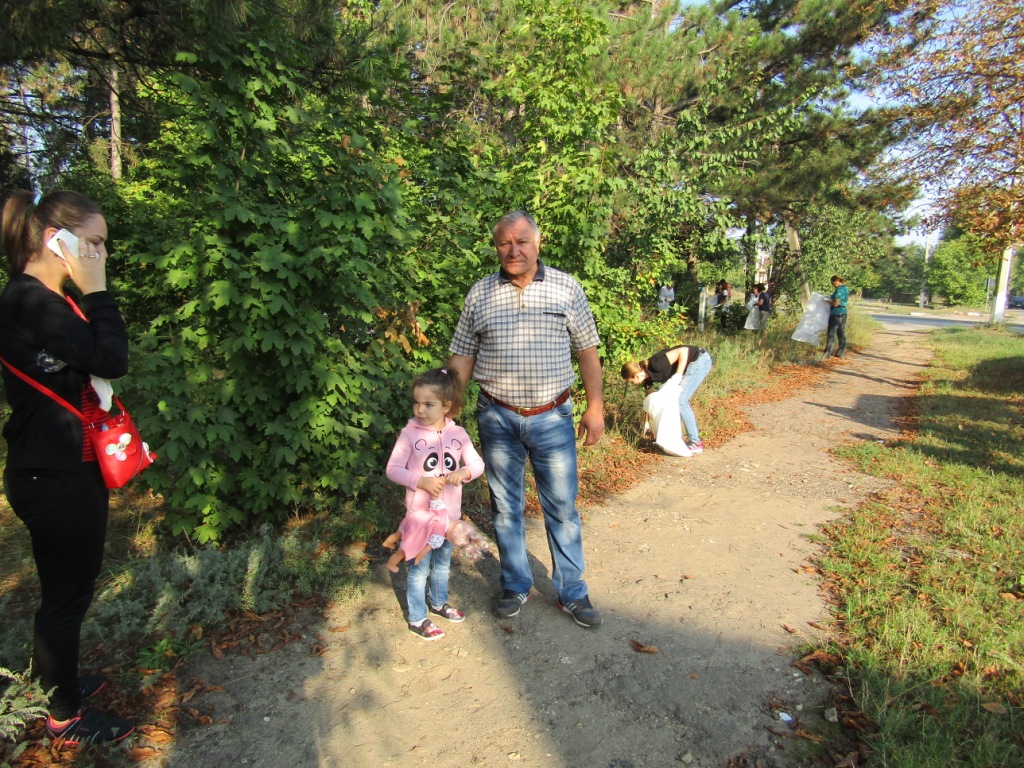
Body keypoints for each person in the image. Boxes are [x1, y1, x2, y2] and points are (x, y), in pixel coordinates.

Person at [0, 190, 135, 744]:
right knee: (66, 599)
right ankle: (63, 714)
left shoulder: (43, 300)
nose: (100, 254)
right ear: (57, 240)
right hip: (52, 474)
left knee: (67, 594)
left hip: (61, 470)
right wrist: (97, 289)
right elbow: (111, 357)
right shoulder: (30, 300)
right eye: (93, 243)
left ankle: (59, 681)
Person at [447, 211, 605, 629]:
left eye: (521, 241)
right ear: (496, 247)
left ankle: (572, 591)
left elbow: (587, 351)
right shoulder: (480, 293)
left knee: (562, 508)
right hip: (497, 417)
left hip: (553, 417)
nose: (513, 250)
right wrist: (447, 409)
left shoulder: (566, 287)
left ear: (538, 243)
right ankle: (516, 584)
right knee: (505, 508)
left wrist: (595, 408)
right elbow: (462, 356)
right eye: (504, 243)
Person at [384, 368, 485, 640]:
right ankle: (418, 618)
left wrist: (465, 472)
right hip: (421, 519)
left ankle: (439, 602)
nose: (420, 410)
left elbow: (477, 464)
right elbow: (393, 469)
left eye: (429, 404)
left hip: (449, 519)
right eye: (416, 403)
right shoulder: (409, 435)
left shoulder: (458, 434)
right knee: (418, 569)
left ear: (446, 406)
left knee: (442, 565)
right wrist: (420, 481)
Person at [620, 345, 712, 455]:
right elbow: (652, 404)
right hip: (692, 364)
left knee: (680, 401)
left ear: (636, 375)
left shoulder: (655, 364)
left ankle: (695, 442)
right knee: (669, 401)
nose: (632, 384)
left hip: (699, 360)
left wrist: (678, 375)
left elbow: (683, 351)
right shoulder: (647, 381)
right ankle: (675, 438)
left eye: (631, 381)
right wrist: (648, 425)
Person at [822, 275, 849, 358]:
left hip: (835, 313)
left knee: (831, 333)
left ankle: (827, 353)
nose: (833, 285)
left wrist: (827, 301)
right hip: (843, 312)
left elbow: (835, 304)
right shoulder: (845, 289)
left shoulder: (838, 290)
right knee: (841, 333)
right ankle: (841, 352)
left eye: (834, 283)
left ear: (837, 281)